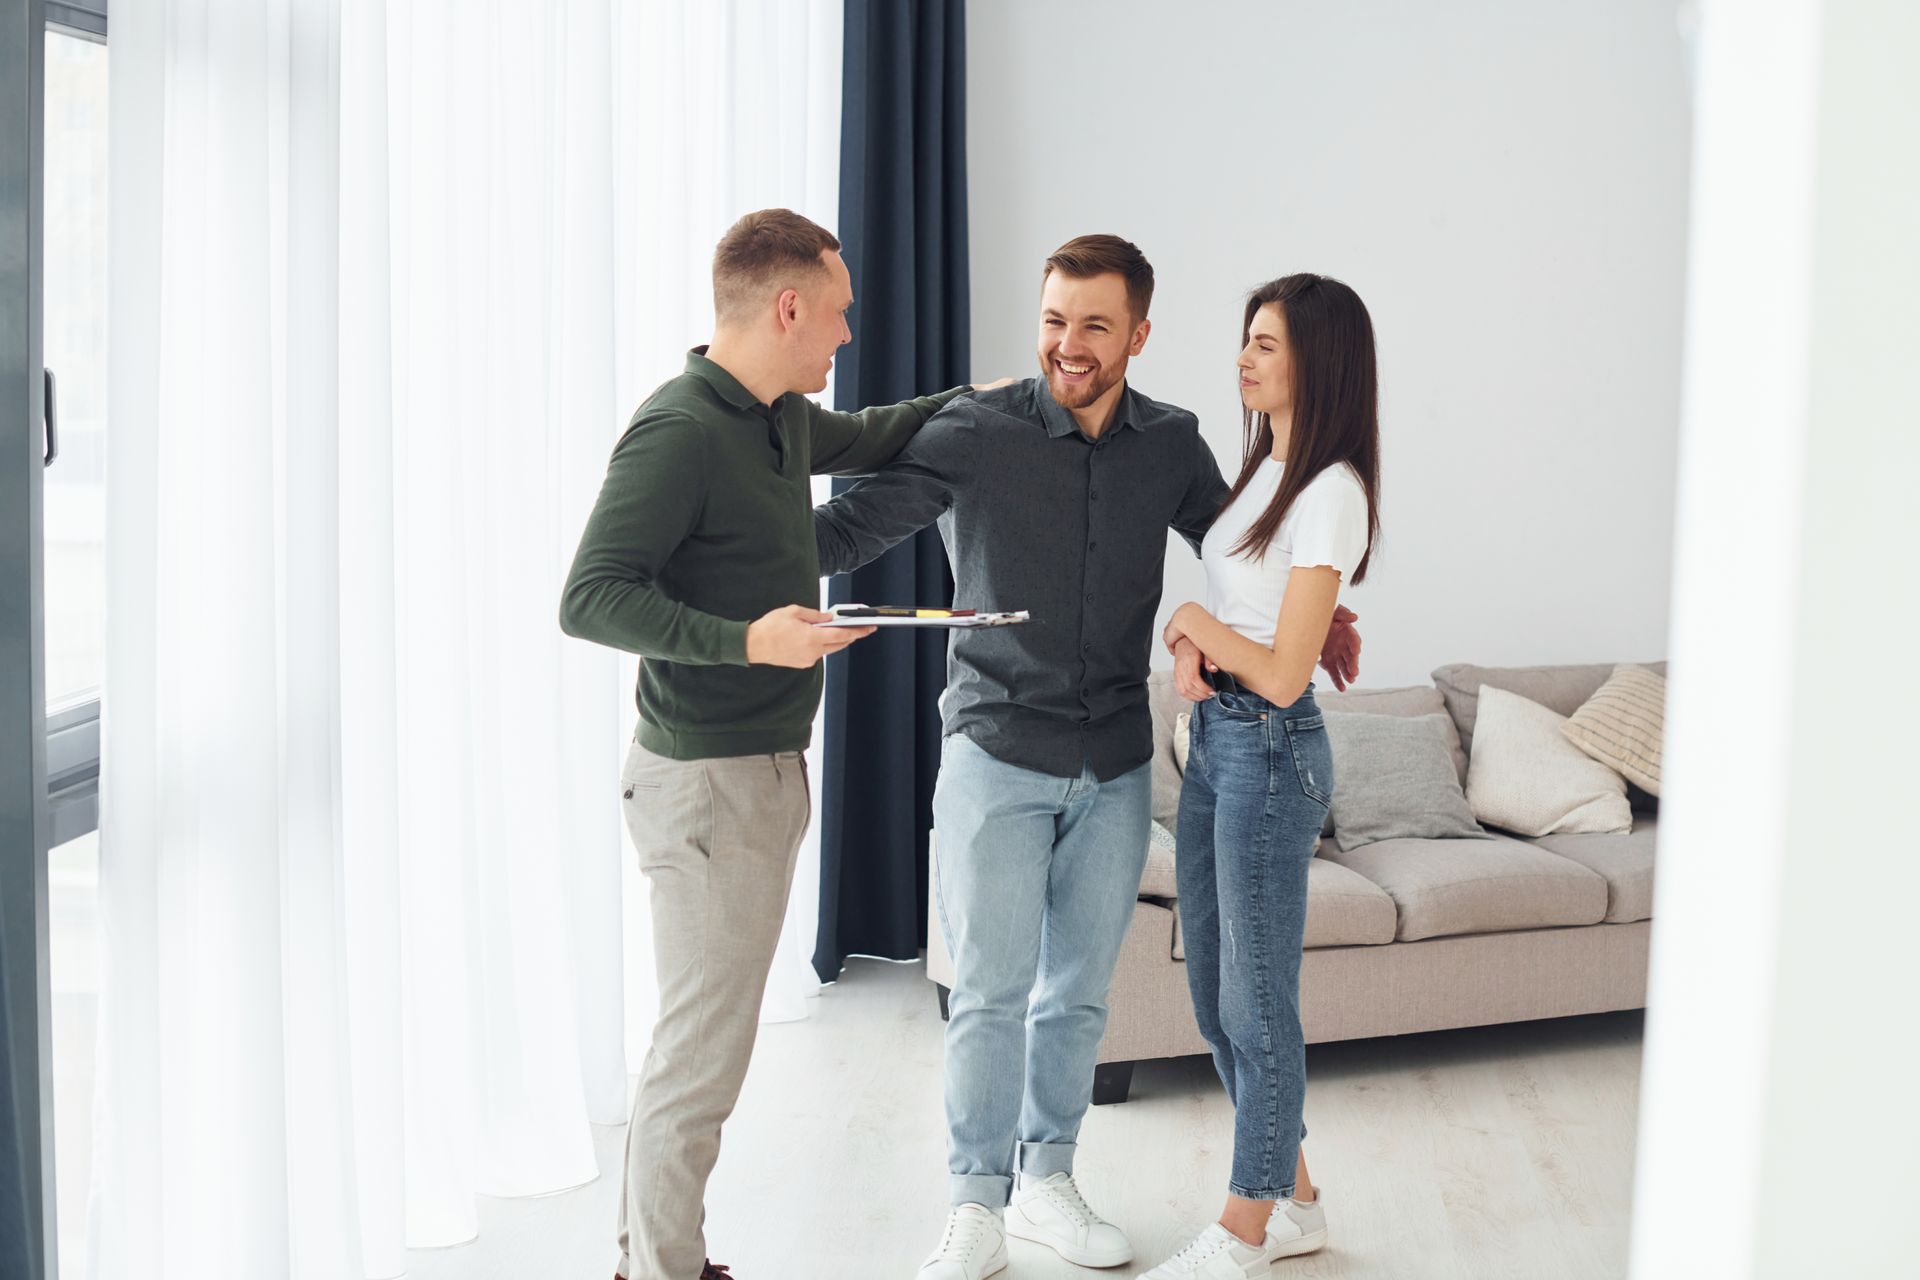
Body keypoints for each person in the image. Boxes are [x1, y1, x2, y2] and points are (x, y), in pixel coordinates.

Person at [811, 237, 1362, 1280]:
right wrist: (719, 534)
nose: (1068, 343)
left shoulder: (1175, 443)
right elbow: (850, 529)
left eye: (1094, 324)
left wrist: (1319, 619)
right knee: (986, 987)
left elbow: (1244, 544)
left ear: (1138, 335)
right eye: (1055, 319)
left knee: (1075, 994)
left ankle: (1048, 1180)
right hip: (995, 749)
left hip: (1113, 760)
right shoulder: (973, 428)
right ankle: (976, 1202)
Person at [560, 207, 1002, 1280]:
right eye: (839, 314)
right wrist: (748, 639)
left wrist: (1003, 400)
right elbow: (589, 597)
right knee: (701, 1057)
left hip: (754, 774)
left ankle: (652, 1257)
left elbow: (885, 430)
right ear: (787, 306)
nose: (846, 335)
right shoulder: (681, 427)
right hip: (704, 782)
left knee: (699, 1046)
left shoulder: (779, 418)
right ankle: (658, 1270)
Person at [1141, 273, 1382, 1279]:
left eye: (1267, 345)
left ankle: (1243, 1228)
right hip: (1219, 746)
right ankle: (1302, 1199)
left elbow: (1283, 671)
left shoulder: (1331, 492)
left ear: (1317, 362)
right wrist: (1193, 638)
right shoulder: (1263, 477)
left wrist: (1194, 627)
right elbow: (1243, 621)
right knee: (1215, 995)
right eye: (1247, 339)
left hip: (1271, 755)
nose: (1243, 358)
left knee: (1256, 999)